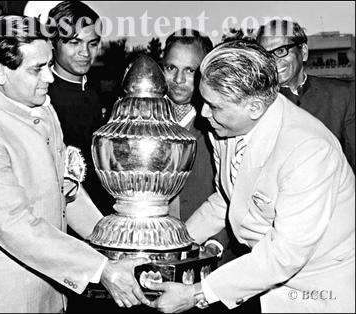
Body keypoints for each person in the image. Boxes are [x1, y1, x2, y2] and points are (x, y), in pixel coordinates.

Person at [144, 40, 355, 313]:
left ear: (255, 107)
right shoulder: (225, 123)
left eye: (214, 106)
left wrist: (197, 293)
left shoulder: (309, 151)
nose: (204, 113)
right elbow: (230, 197)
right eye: (204, 101)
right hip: (263, 273)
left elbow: (283, 256)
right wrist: (175, 243)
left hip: (319, 287)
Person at [0, 15, 150, 313]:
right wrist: (101, 269)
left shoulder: (43, 108)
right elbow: (16, 227)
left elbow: (66, 192)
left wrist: (115, 246)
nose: (49, 77)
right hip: (0, 296)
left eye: (49, 65)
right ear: (0, 72)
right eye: (37, 69)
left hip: (51, 293)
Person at [256, 19, 355, 172]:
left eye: (281, 51)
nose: (274, 61)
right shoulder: (256, 104)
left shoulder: (342, 95)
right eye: (266, 56)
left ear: (303, 52)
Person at [45, 1, 114, 215]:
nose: (85, 52)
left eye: (92, 44)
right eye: (74, 42)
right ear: (53, 43)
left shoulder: (99, 93)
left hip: (102, 210)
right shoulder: (41, 96)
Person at [162, 28, 215, 222]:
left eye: (190, 70)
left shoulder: (219, 126)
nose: (178, 80)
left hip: (206, 241)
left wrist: (216, 243)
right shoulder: (142, 118)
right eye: (171, 68)